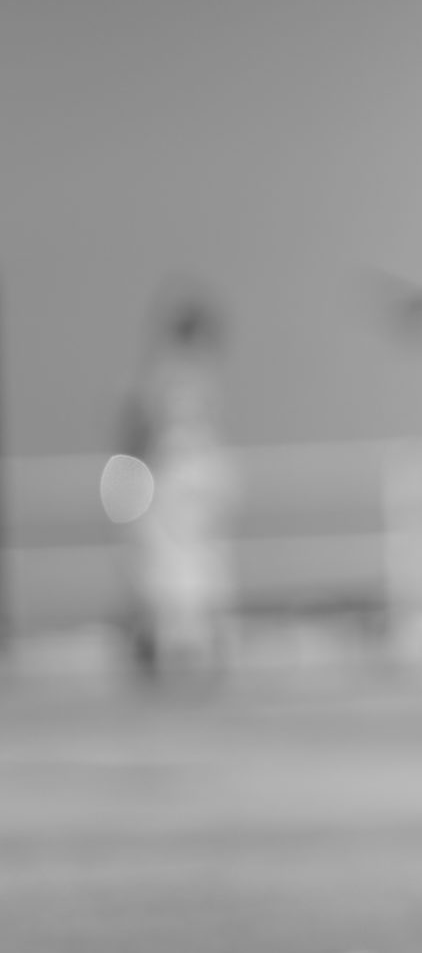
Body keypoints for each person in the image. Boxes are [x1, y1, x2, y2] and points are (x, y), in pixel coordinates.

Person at [120, 294, 239, 686]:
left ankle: (185, 653)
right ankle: (190, 652)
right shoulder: (193, 373)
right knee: (189, 563)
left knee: (178, 563)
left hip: (179, 475)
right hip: (189, 474)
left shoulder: (165, 372)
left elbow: (141, 427)